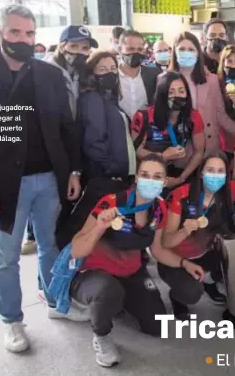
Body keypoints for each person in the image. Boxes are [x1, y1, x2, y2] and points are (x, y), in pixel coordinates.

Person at [0, 4, 83, 353]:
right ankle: (12, 321)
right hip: (2, 185)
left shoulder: (49, 75)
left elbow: (67, 129)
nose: (23, 39)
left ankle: (55, 300)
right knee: (6, 257)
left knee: (50, 245)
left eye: (29, 33)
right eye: (15, 33)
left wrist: (73, 171)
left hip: (49, 179)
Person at [69, 155, 200, 367]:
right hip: (95, 272)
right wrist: (100, 227)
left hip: (130, 272)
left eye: (157, 176)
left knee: (158, 326)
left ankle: (115, 304)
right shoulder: (111, 203)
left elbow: (157, 249)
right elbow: (76, 248)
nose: (150, 180)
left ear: (165, 182)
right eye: (145, 175)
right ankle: (101, 335)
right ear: (137, 178)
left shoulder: (159, 209)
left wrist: (185, 263)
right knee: (108, 291)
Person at [163, 152, 235, 318]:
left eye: (220, 171)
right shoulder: (181, 197)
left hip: (206, 252)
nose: (215, 175)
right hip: (176, 258)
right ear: (201, 173)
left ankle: (209, 282)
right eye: (210, 170)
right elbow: (167, 242)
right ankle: (177, 297)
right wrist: (184, 230)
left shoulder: (227, 192)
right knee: (191, 293)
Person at [132, 71, 206, 191]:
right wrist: (162, 156)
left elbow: (199, 151)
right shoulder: (144, 116)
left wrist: (181, 179)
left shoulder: (193, 116)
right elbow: (136, 151)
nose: (176, 95)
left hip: (178, 173)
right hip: (148, 176)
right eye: (171, 92)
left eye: (181, 91)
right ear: (162, 94)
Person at [168, 31, 235, 156]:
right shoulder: (163, 79)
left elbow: (220, 114)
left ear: (198, 52)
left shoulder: (212, 80)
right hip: (178, 148)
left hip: (208, 147)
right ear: (175, 53)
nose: (186, 52)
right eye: (182, 49)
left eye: (191, 49)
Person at [79, 51, 135, 181]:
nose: (109, 73)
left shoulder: (110, 100)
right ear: (92, 74)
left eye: (113, 68)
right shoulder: (93, 99)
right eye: (102, 69)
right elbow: (94, 142)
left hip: (120, 174)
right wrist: (111, 169)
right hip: (107, 176)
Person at [48, 25, 98, 120]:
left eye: (85, 48)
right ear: (62, 47)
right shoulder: (47, 72)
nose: (79, 52)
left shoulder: (79, 72)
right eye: (74, 46)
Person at [117, 30, 160, 118]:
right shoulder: (112, 76)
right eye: (131, 49)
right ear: (120, 49)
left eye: (140, 49)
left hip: (145, 129)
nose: (136, 53)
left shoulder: (154, 75)